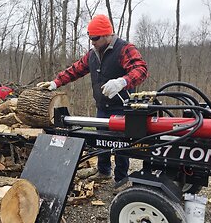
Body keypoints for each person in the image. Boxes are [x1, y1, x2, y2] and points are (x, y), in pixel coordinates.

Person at [37, 14, 148, 186]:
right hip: (102, 106)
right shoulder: (93, 54)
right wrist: (55, 82)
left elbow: (140, 69)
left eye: (95, 38)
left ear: (106, 35)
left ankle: (121, 179)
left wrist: (122, 82)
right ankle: (103, 171)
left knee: (121, 145)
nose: (92, 42)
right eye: (90, 38)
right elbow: (75, 70)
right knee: (101, 139)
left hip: (121, 107)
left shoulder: (124, 49)